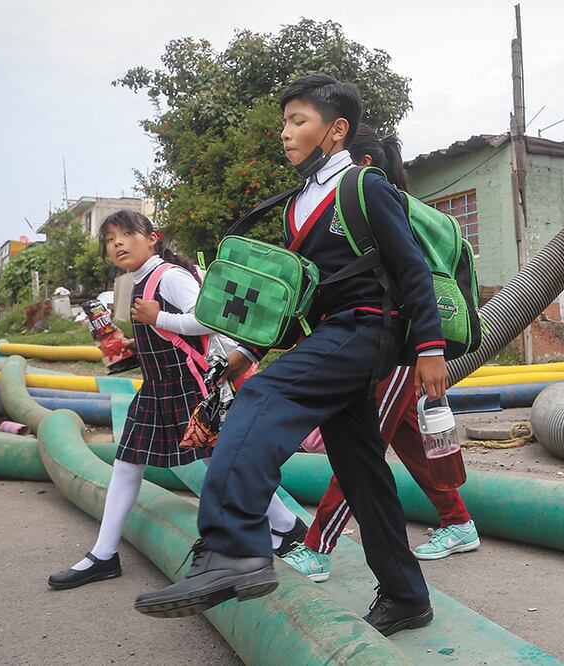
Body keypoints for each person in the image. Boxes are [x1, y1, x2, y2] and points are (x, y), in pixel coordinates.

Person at [135, 74, 448, 638]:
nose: (285, 133)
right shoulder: (298, 205)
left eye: (297, 121)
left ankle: (233, 549)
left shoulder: (364, 187)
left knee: (264, 396)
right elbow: (294, 293)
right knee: (360, 470)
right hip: (329, 333)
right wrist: (247, 349)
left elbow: (412, 271)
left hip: (366, 330)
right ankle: (406, 595)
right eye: (284, 122)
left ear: (337, 130)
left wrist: (429, 348)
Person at [47, 211, 305, 590]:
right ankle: (104, 554)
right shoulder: (138, 281)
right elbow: (167, 332)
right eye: (110, 238)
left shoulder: (168, 276)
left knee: (222, 460)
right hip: (157, 387)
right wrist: (137, 344)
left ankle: (286, 525)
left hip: (190, 385)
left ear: (153, 238)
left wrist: (158, 319)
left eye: (126, 234)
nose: (117, 243)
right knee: (128, 463)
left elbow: (211, 319)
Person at [283, 125, 479, 583]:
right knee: (407, 435)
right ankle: (458, 522)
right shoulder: (372, 208)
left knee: (360, 449)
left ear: (365, 166)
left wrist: (427, 350)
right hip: (393, 343)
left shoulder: (375, 202)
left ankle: (317, 547)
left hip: (395, 345)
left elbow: (410, 279)